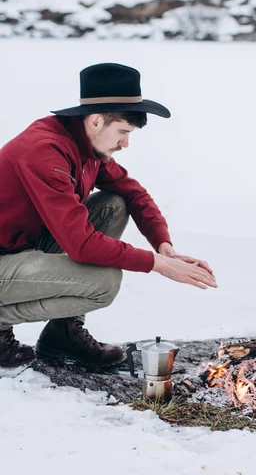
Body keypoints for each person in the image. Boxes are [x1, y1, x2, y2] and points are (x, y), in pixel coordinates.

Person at [0, 62, 216, 369]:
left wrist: (163, 245)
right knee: (103, 281)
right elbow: (82, 246)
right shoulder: (43, 151)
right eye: (123, 132)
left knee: (113, 204)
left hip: (19, 249)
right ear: (96, 121)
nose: (126, 144)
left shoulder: (85, 145)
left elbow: (133, 194)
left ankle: (64, 333)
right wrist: (157, 265)